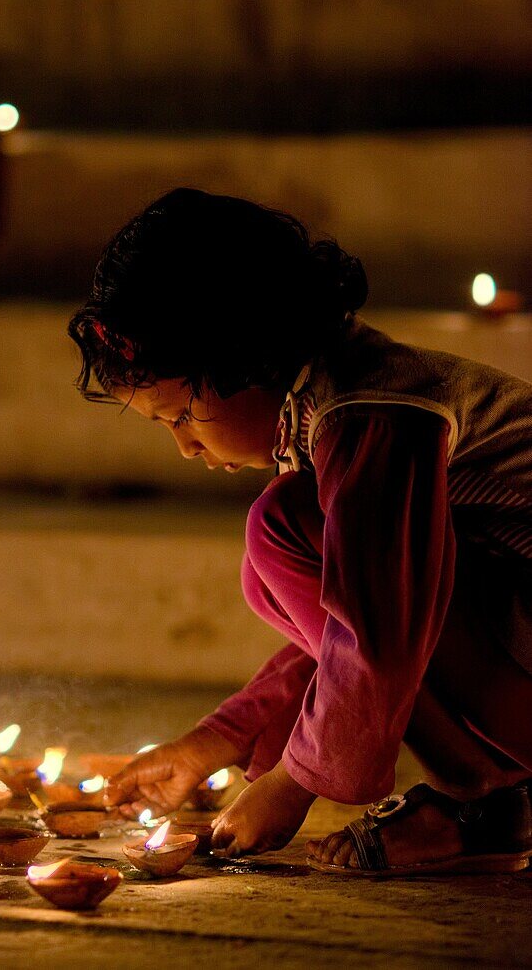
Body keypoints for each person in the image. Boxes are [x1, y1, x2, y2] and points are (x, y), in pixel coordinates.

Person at [68, 187, 532, 877]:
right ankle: (488, 796)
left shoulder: (375, 413)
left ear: (242, 355)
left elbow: (376, 633)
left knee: (284, 527)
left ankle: (483, 803)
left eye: (181, 418)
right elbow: (355, 618)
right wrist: (215, 742)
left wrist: (293, 782)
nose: (186, 450)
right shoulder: (339, 399)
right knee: (290, 534)